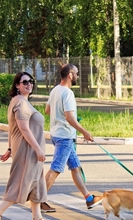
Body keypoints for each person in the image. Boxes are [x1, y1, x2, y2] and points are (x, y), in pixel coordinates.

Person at [0, 72, 55, 220]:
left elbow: (12, 130)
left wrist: (10, 148)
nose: (29, 84)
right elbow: (23, 129)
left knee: (37, 182)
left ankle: (37, 218)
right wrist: (38, 149)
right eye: (25, 82)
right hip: (28, 150)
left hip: (28, 149)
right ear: (17, 85)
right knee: (21, 182)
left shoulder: (20, 101)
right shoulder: (20, 103)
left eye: (31, 81)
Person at [42, 63, 102, 212]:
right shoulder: (68, 93)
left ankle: (89, 199)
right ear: (69, 75)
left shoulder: (55, 90)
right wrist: (84, 132)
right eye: (76, 73)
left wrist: (61, 117)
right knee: (55, 169)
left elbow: (48, 110)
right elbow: (69, 118)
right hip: (65, 137)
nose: (77, 76)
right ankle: (40, 200)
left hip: (57, 134)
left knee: (75, 168)